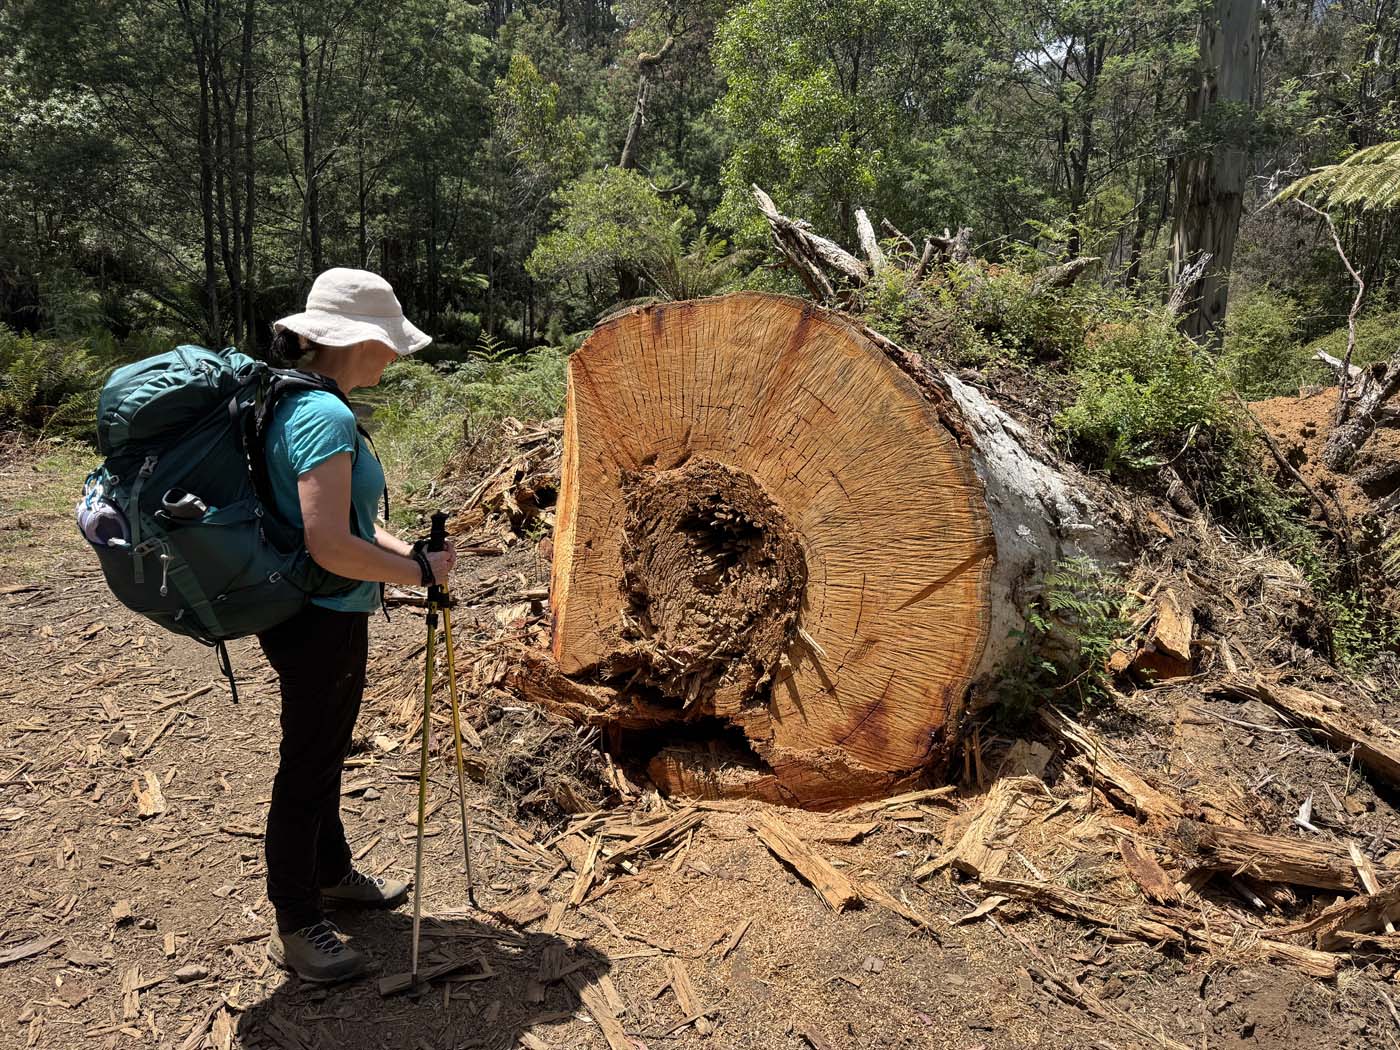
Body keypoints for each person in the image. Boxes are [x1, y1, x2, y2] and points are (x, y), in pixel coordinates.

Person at [258, 268, 456, 983]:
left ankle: (333, 871)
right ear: (361, 341)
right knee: (309, 761)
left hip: (310, 609)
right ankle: (300, 920)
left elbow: (354, 526)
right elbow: (331, 546)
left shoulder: (305, 401)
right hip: (319, 616)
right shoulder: (325, 416)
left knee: (325, 748)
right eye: (390, 344)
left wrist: (411, 556)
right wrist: (421, 576)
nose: (396, 357)